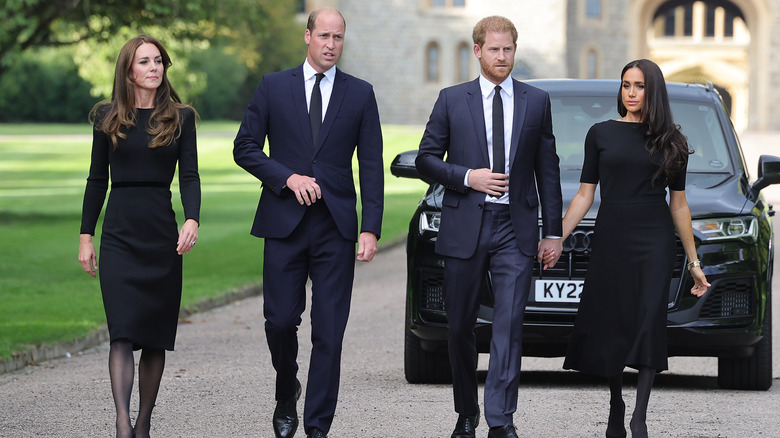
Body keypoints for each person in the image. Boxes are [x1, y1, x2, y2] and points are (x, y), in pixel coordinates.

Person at [233, 7, 383, 438]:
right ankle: (286, 389)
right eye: (324, 36)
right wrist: (287, 177)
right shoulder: (273, 87)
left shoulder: (360, 93)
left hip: (335, 228)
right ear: (308, 36)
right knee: (280, 321)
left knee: (330, 333)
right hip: (284, 223)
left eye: (338, 37)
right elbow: (245, 147)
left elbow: (370, 166)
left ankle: (318, 426)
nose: (331, 45)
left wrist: (370, 227)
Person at [416, 16, 563, 438]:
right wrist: (467, 177)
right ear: (477, 51)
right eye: (494, 49)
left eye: (508, 49)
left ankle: (501, 420)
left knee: (509, 326)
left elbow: (547, 170)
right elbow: (427, 159)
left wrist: (551, 231)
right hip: (465, 225)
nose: (502, 57)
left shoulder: (536, 101)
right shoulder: (450, 100)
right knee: (459, 325)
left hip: (514, 229)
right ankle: (467, 412)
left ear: (515, 50)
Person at [553, 59, 710, 438]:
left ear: (652, 90)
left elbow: (679, 205)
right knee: (613, 321)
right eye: (626, 85)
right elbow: (584, 195)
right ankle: (616, 402)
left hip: (654, 240)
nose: (631, 93)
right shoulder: (601, 133)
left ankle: (639, 415)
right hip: (612, 237)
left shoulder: (672, 140)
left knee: (648, 320)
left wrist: (693, 263)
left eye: (639, 86)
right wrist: (556, 236)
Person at [78, 35, 200, 438]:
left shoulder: (181, 117)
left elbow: (189, 176)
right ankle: (122, 425)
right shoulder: (107, 117)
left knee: (154, 336)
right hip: (119, 234)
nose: (154, 67)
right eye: (145, 61)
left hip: (161, 235)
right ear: (128, 70)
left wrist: (192, 219)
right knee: (123, 331)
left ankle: (144, 423)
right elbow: (97, 180)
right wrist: (85, 236)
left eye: (159, 61)